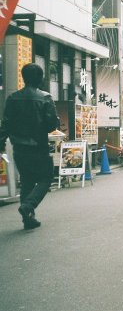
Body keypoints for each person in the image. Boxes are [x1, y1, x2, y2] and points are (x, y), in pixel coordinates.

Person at [0, 63, 59, 230]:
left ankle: (28, 219)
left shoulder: (12, 98)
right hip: (38, 146)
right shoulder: (45, 98)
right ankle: (28, 206)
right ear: (40, 79)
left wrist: (1, 142)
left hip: (19, 147)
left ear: (23, 78)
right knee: (46, 178)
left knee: (27, 180)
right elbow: (51, 124)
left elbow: (5, 124)